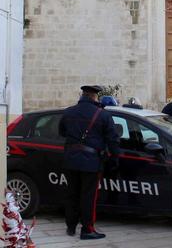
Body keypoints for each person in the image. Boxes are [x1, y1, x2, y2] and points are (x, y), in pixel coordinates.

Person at [58, 85, 121, 240]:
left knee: (72, 194)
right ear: (95, 96)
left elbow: (62, 132)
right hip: (91, 162)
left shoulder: (68, 112)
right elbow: (113, 140)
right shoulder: (103, 115)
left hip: (71, 160)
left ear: (82, 95)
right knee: (88, 197)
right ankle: (87, 229)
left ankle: (71, 227)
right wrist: (115, 158)